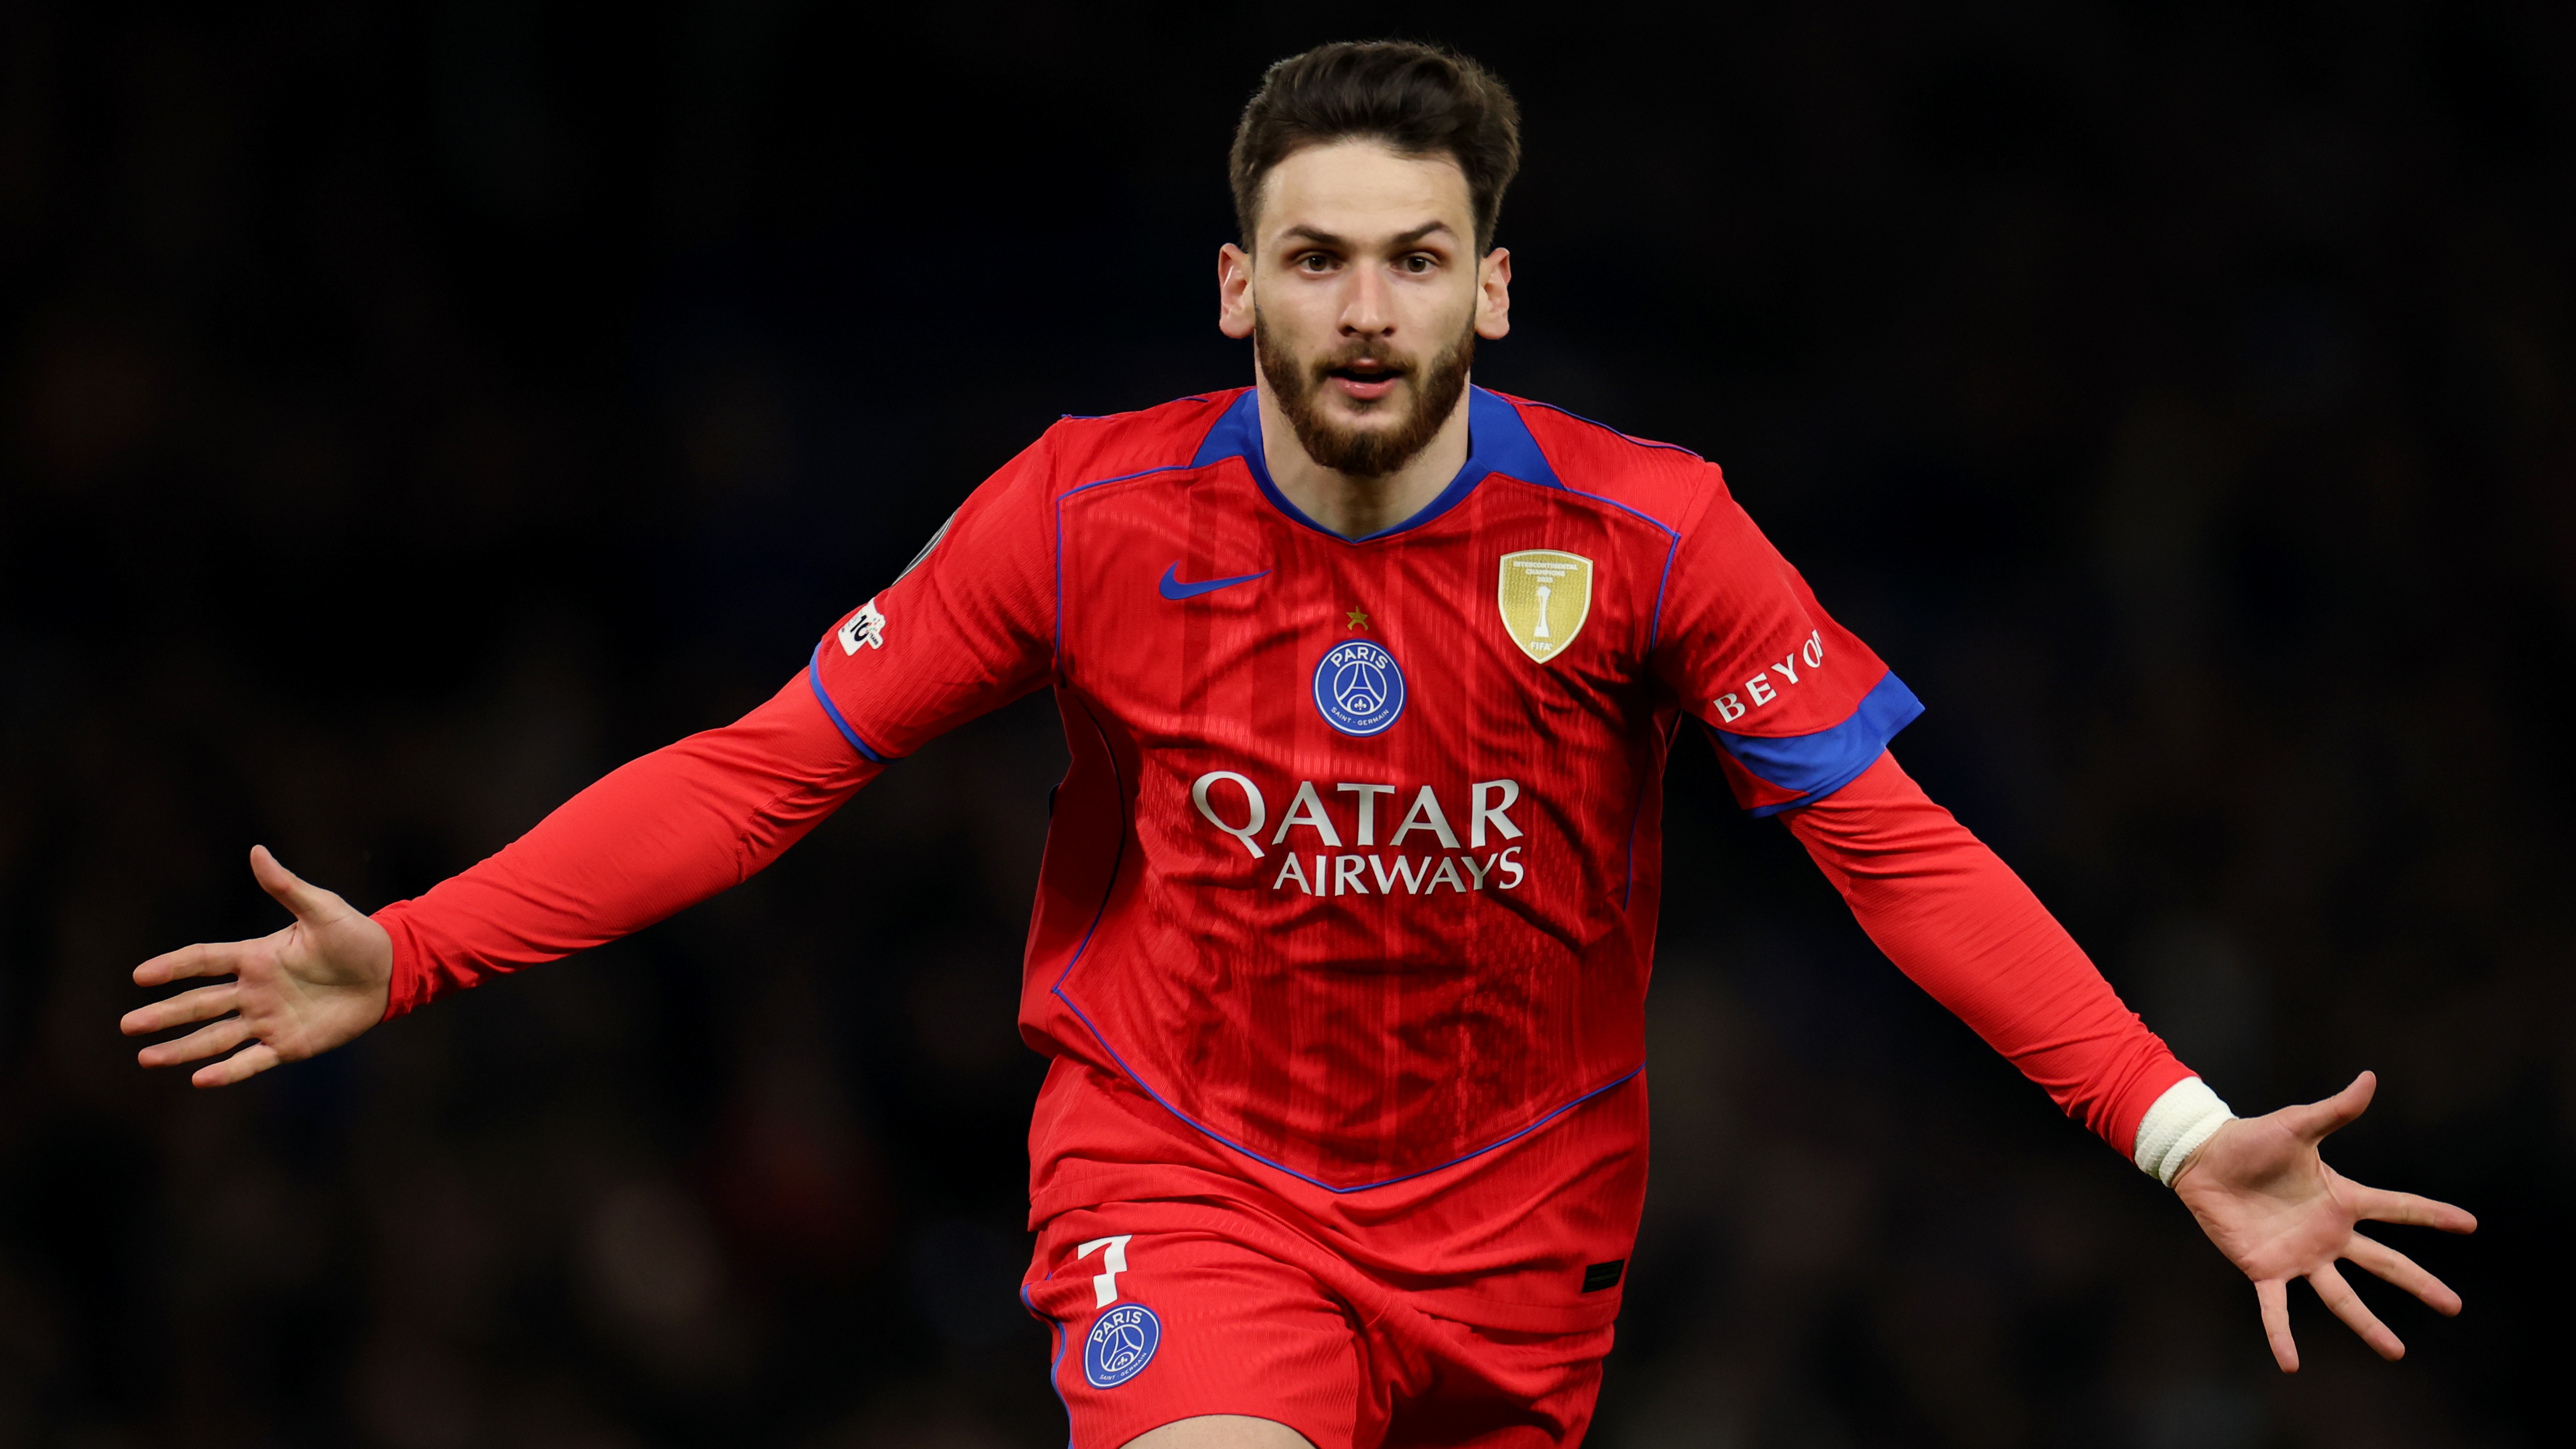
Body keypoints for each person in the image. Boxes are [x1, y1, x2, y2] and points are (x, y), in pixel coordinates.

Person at [120, 41, 2473, 1449]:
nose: (1367, 307)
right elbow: (765, 769)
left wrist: (2177, 1133)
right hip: (1185, 1169)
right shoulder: (1083, 509)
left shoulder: (1648, 537)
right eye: (1319, 258)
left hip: (1525, 1227)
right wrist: (412, 951)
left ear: (1492, 287)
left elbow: (1896, 852)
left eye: (1416, 258)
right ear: (1237, 283)